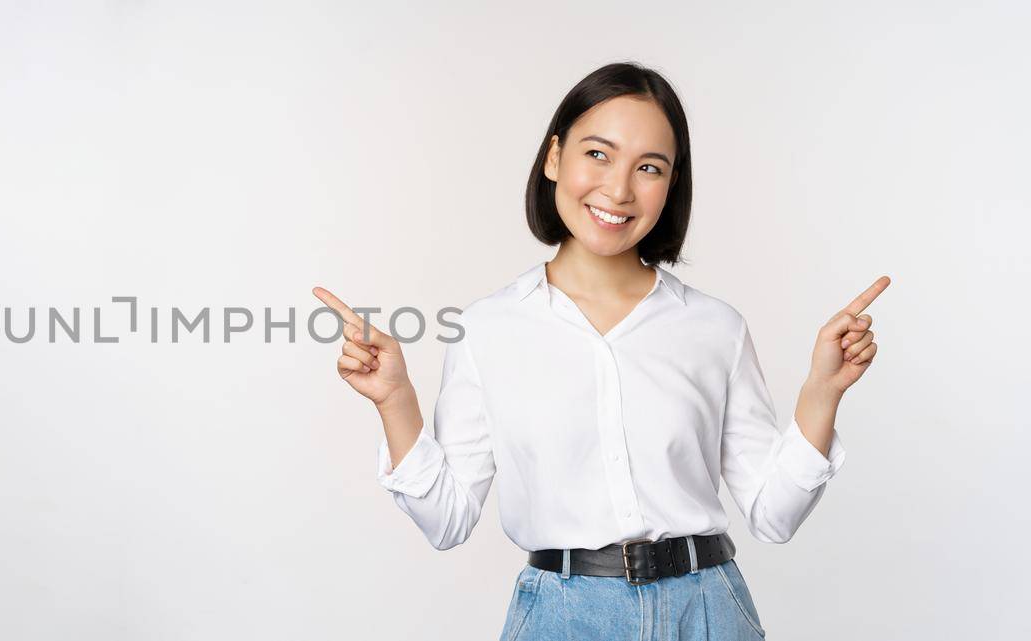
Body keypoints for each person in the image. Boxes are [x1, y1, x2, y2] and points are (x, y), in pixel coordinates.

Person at [312, 62, 889, 640]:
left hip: (708, 612)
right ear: (554, 157)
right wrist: (395, 400)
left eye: (649, 167)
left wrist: (823, 390)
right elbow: (446, 521)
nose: (618, 189)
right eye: (598, 154)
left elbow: (775, 514)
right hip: (562, 618)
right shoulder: (488, 328)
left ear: (671, 184)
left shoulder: (715, 328)